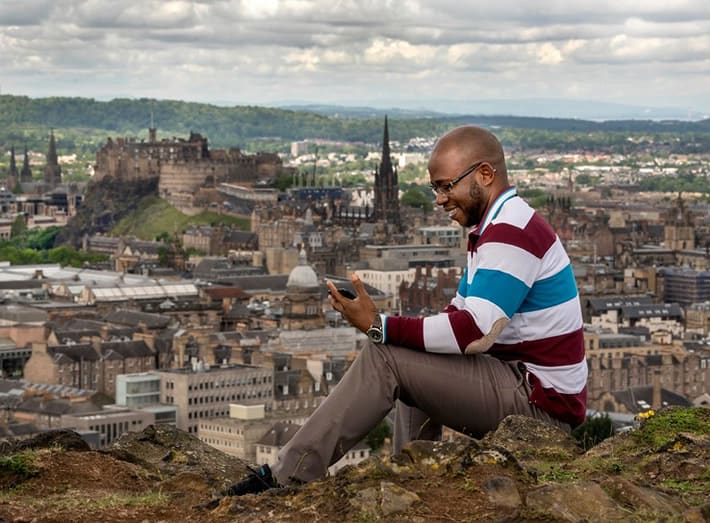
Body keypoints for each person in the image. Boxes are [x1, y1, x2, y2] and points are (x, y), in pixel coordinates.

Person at [225, 125, 587, 496]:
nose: (440, 199)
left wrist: (379, 326)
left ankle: (287, 477)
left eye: (447, 186)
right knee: (415, 352)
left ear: (485, 174)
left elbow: (474, 333)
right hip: (524, 387)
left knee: (386, 357)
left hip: (541, 407)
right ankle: (413, 475)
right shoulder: (495, 227)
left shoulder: (512, 229)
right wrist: (392, 330)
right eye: (436, 188)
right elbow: (454, 319)